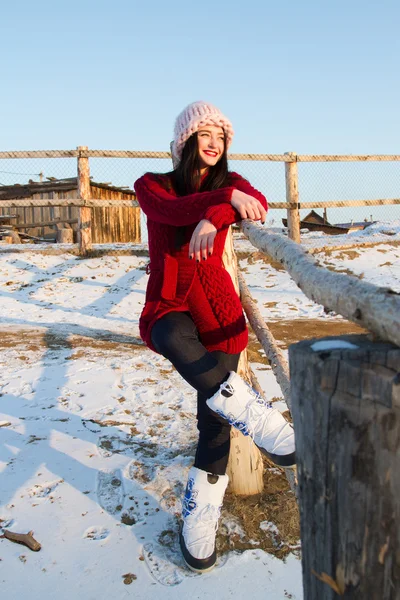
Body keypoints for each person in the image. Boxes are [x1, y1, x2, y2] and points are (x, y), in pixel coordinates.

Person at [134, 101, 295, 574]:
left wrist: (221, 212)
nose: (212, 142)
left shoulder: (231, 182)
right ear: (185, 141)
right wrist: (219, 207)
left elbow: (258, 204)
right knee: (167, 334)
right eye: (203, 133)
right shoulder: (153, 185)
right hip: (169, 305)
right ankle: (256, 415)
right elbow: (170, 211)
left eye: (220, 136)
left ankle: (200, 515)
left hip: (221, 313)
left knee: (214, 420)